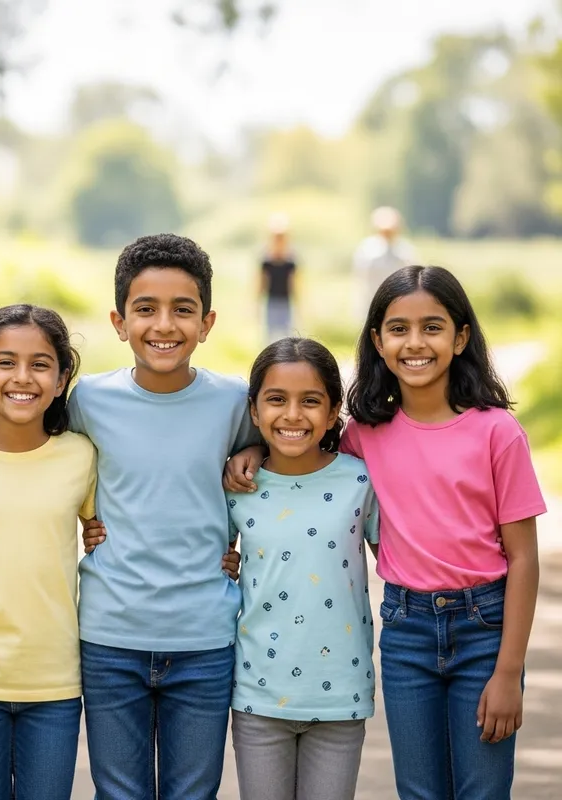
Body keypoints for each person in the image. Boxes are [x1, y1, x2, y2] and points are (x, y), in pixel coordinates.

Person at [223, 265, 546, 800]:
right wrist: (255, 450)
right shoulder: (364, 435)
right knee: (418, 791)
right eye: (398, 328)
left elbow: (525, 558)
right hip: (406, 631)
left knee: (483, 790)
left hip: (484, 628)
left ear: (461, 337)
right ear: (377, 340)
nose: (414, 343)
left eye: (433, 327)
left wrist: (509, 670)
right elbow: (303, 452)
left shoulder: (496, 431)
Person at [71, 233, 258, 799]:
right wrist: (85, 520)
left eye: (183, 309)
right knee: (120, 793)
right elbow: (52, 467)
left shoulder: (235, 401)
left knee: (192, 794)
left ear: (207, 322)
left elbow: (284, 458)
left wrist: (255, 454)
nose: (164, 325)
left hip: (204, 637)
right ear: (118, 320)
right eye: (145, 309)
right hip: (111, 635)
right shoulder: (87, 400)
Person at [0, 304, 96, 800]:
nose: (22, 377)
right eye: (5, 362)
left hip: (55, 682)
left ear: (62, 376)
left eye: (40, 364)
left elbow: (110, 530)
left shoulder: (81, 455)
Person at [227, 337, 378, 800]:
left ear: (333, 413)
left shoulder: (359, 481)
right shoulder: (236, 485)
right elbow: (210, 558)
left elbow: (402, 555)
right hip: (258, 692)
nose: (293, 415)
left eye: (310, 401)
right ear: (254, 411)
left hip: (341, 695)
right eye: (276, 400)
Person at [352, 206, 415, 320]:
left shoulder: (405, 251)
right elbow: (362, 279)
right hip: (371, 303)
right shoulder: (367, 250)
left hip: (400, 305)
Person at [260, 213, 298, 342]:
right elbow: (261, 283)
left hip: (286, 302)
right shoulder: (266, 261)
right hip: (271, 301)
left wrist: (299, 303)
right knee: (269, 335)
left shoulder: (290, 261)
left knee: (287, 334)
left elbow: (294, 284)